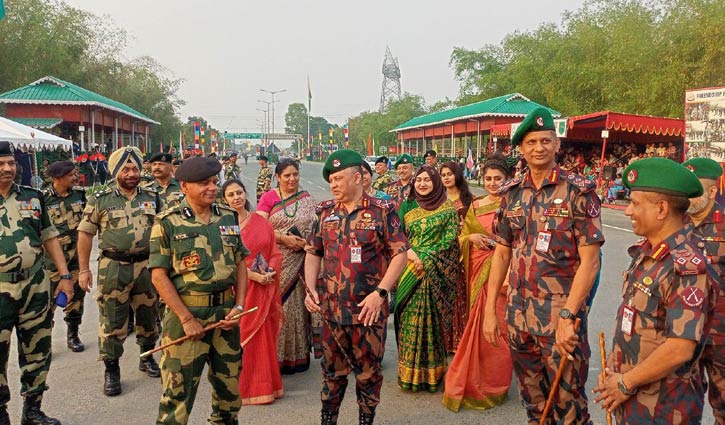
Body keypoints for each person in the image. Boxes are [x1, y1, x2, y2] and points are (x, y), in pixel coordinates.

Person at [482, 107, 604, 424]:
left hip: (559, 317)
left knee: (569, 405)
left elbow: (590, 261)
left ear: (557, 145)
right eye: (532, 142)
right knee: (534, 404)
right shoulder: (510, 194)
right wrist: (489, 311)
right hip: (519, 313)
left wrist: (569, 315)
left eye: (546, 141)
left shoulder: (579, 191)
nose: (539, 148)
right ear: (521, 149)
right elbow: (502, 252)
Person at [594, 157, 716, 424]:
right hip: (636, 396)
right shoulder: (648, 251)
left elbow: (680, 348)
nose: (628, 211)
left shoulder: (685, 266)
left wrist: (625, 382)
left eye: (635, 203)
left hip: (663, 407)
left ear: (661, 209)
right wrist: (617, 371)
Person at [304, 150, 408, 425]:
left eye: (339, 178)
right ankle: (328, 419)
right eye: (331, 180)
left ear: (359, 178)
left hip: (367, 311)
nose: (333, 184)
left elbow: (400, 254)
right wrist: (310, 288)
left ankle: (366, 419)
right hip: (331, 311)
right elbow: (313, 252)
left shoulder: (382, 212)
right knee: (331, 372)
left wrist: (381, 293)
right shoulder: (325, 213)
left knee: (368, 373)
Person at [149, 157, 249, 425]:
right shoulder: (167, 222)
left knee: (229, 396)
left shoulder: (227, 216)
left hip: (225, 317)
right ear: (184, 186)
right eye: (204, 183)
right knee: (177, 398)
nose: (212, 188)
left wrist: (238, 307)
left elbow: (241, 263)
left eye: (214, 182)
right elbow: (158, 275)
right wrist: (185, 318)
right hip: (187, 317)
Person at [77, 146, 161, 397]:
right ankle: (111, 369)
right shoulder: (101, 199)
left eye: (135, 168)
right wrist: (83, 270)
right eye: (125, 169)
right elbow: (85, 234)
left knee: (149, 317)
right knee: (112, 321)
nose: (132, 173)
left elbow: (162, 230)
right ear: (115, 171)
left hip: (147, 266)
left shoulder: (152, 196)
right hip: (113, 268)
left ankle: (146, 357)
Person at [0, 141, 74, 425]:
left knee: (38, 349)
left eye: (11, 163)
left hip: (34, 285)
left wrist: (65, 276)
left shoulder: (32, 197)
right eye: (1, 164)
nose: (8, 168)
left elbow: (49, 235)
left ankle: (32, 409)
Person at [443, 154, 513, 412]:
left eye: (498, 179)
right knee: (477, 324)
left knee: (499, 327)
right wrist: (470, 237)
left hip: (504, 273)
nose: (493, 183)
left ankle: (496, 382)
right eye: (489, 179)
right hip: (477, 270)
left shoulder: (514, 204)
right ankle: (473, 378)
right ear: (482, 180)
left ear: (508, 179)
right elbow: (462, 235)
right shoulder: (477, 204)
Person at [395, 165, 466, 392]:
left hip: (433, 274)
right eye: (419, 180)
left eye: (427, 180)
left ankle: (433, 375)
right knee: (409, 322)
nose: (422, 184)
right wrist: (411, 254)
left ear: (435, 183)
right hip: (408, 271)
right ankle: (408, 373)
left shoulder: (447, 210)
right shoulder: (407, 208)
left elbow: (450, 243)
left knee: (431, 325)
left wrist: (424, 259)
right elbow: (398, 238)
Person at [222, 178, 284, 405]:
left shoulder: (260, 221)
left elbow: (275, 251)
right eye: (231, 195)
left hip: (263, 287)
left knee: (263, 338)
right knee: (243, 337)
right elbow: (228, 261)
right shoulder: (225, 225)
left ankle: (268, 386)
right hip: (239, 290)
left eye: (239, 193)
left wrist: (270, 271)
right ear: (224, 199)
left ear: (245, 193)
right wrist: (254, 276)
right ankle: (247, 388)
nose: (236, 197)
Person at [256, 158, 318, 374]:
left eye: (295, 174)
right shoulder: (268, 198)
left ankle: (297, 356)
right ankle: (275, 358)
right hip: (278, 260)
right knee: (279, 307)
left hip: (304, 260)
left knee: (298, 308)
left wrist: (309, 243)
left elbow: (316, 226)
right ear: (277, 177)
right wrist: (283, 238)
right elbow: (259, 229)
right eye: (287, 175)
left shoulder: (306, 198)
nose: (292, 179)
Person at [682, 157, 725, 422]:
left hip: (721, 334)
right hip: (684, 333)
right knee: (684, 405)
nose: (689, 195)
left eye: (695, 189)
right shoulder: (675, 223)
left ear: (712, 191)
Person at [43, 160, 87, 353]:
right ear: (57, 178)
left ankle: (73, 334)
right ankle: (45, 341)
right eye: (70, 175)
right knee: (48, 302)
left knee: (77, 298)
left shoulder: (80, 196)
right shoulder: (43, 199)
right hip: (52, 262)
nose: (74, 178)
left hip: (76, 258)